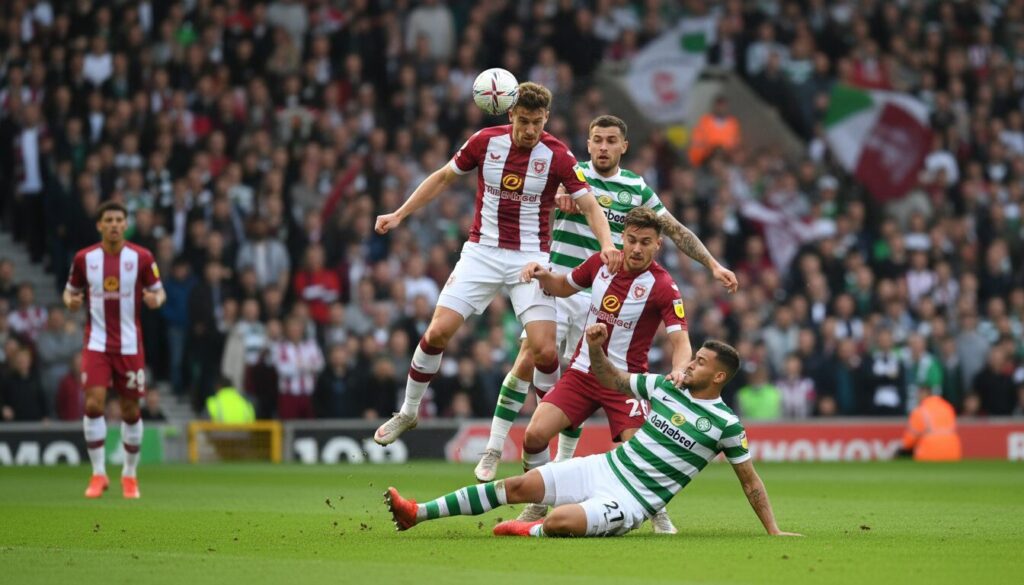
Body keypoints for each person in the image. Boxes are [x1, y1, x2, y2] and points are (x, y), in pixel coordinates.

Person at [476, 115, 738, 488]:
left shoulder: (636, 187)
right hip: (562, 281)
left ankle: (563, 465)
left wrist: (712, 264)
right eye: (597, 139)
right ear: (588, 142)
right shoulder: (570, 172)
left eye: (611, 140)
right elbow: (525, 203)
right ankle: (493, 447)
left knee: (581, 375)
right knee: (532, 356)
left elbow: (674, 230)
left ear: (623, 146)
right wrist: (556, 203)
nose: (603, 147)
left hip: (602, 290)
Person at [372, 82, 621, 445]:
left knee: (545, 351)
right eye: (523, 120)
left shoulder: (559, 155)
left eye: (537, 121)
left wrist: (608, 244)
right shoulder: (484, 142)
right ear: (510, 114)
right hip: (482, 251)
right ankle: (409, 411)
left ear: (546, 118)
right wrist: (399, 213)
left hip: (531, 257)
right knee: (437, 331)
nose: (530, 129)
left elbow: (590, 205)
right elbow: (443, 177)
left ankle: (542, 435)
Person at [386, 328, 800, 539]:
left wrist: (774, 531)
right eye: (695, 358)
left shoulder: (726, 424)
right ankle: (416, 513)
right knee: (515, 485)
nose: (690, 364)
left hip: (632, 500)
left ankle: (529, 530)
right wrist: (597, 349)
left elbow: (751, 482)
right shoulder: (664, 387)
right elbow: (613, 379)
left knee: (562, 520)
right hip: (602, 467)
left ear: (719, 376)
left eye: (702, 363)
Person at [507, 207, 692, 532]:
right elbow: (563, 286)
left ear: (658, 245)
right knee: (534, 435)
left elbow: (680, 340)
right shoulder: (601, 263)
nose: (636, 248)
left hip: (625, 383)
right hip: (582, 374)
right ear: (622, 237)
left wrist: (679, 370)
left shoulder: (663, 286)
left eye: (645, 242)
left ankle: (655, 509)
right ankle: (538, 502)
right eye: (632, 240)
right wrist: (540, 273)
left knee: (639, 452)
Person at [63, 201, 166, 499]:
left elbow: (159, 291)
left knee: (131, 410)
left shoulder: (142, 257)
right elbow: (71, 291)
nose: (114, 224)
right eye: (108, 219)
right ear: (99, 225)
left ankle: (130, 475)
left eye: (119, 220)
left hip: (130, 345)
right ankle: (98, 474)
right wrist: (70, 301)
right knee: (94, 405)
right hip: (96, 343)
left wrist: (155, 301)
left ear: (125, 224)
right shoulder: (85, 258)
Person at [897, 386, 962, 461]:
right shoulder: (947, 407)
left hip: (930, 453)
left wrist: (901, 449)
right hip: (953, 452)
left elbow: (910, 439)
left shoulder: (920, 411)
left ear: (923, 394)